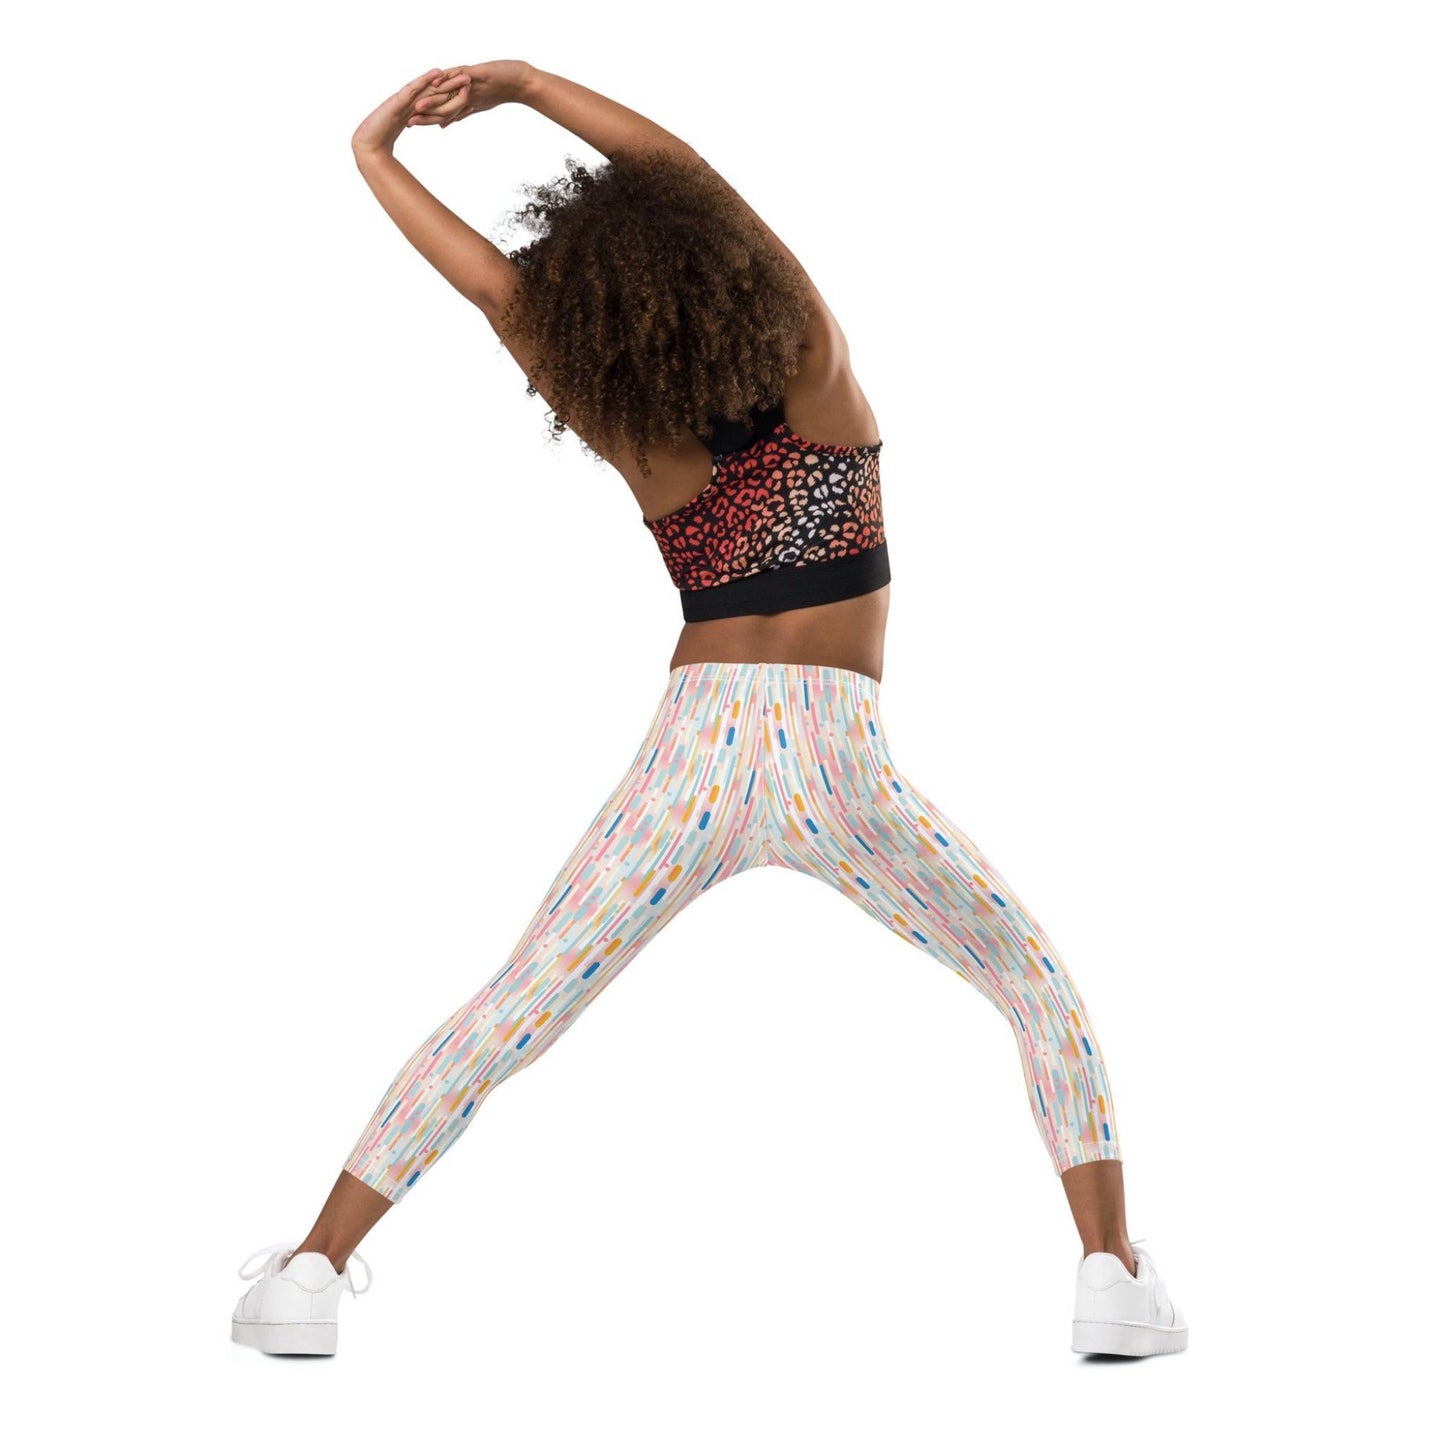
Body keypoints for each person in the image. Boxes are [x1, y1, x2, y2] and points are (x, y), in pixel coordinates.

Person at [231, 60, 1187, 1361]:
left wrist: (375, 155)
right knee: (1024, 976)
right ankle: (1109, 1274)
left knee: (513, 1007)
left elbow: (489, 286)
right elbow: (685, 177)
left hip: (693, 743)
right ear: (713, 263)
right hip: (836, 753)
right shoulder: (812, 358)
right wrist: (522, 86)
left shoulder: (624, 413)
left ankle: (307, 1271)